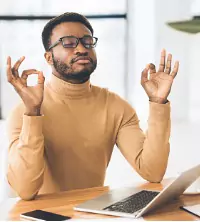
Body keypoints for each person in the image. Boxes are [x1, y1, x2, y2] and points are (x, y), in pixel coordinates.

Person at [6, 12, 179, 200]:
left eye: (87, 41)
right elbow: (25, 190)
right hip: (38, 217)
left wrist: (158, 103)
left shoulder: (115, 106)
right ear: (49, 57)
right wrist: (33, 113)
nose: (81, 48)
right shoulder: (23, 112)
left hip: (92, 213)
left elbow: (152, 171)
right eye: (68, 43)